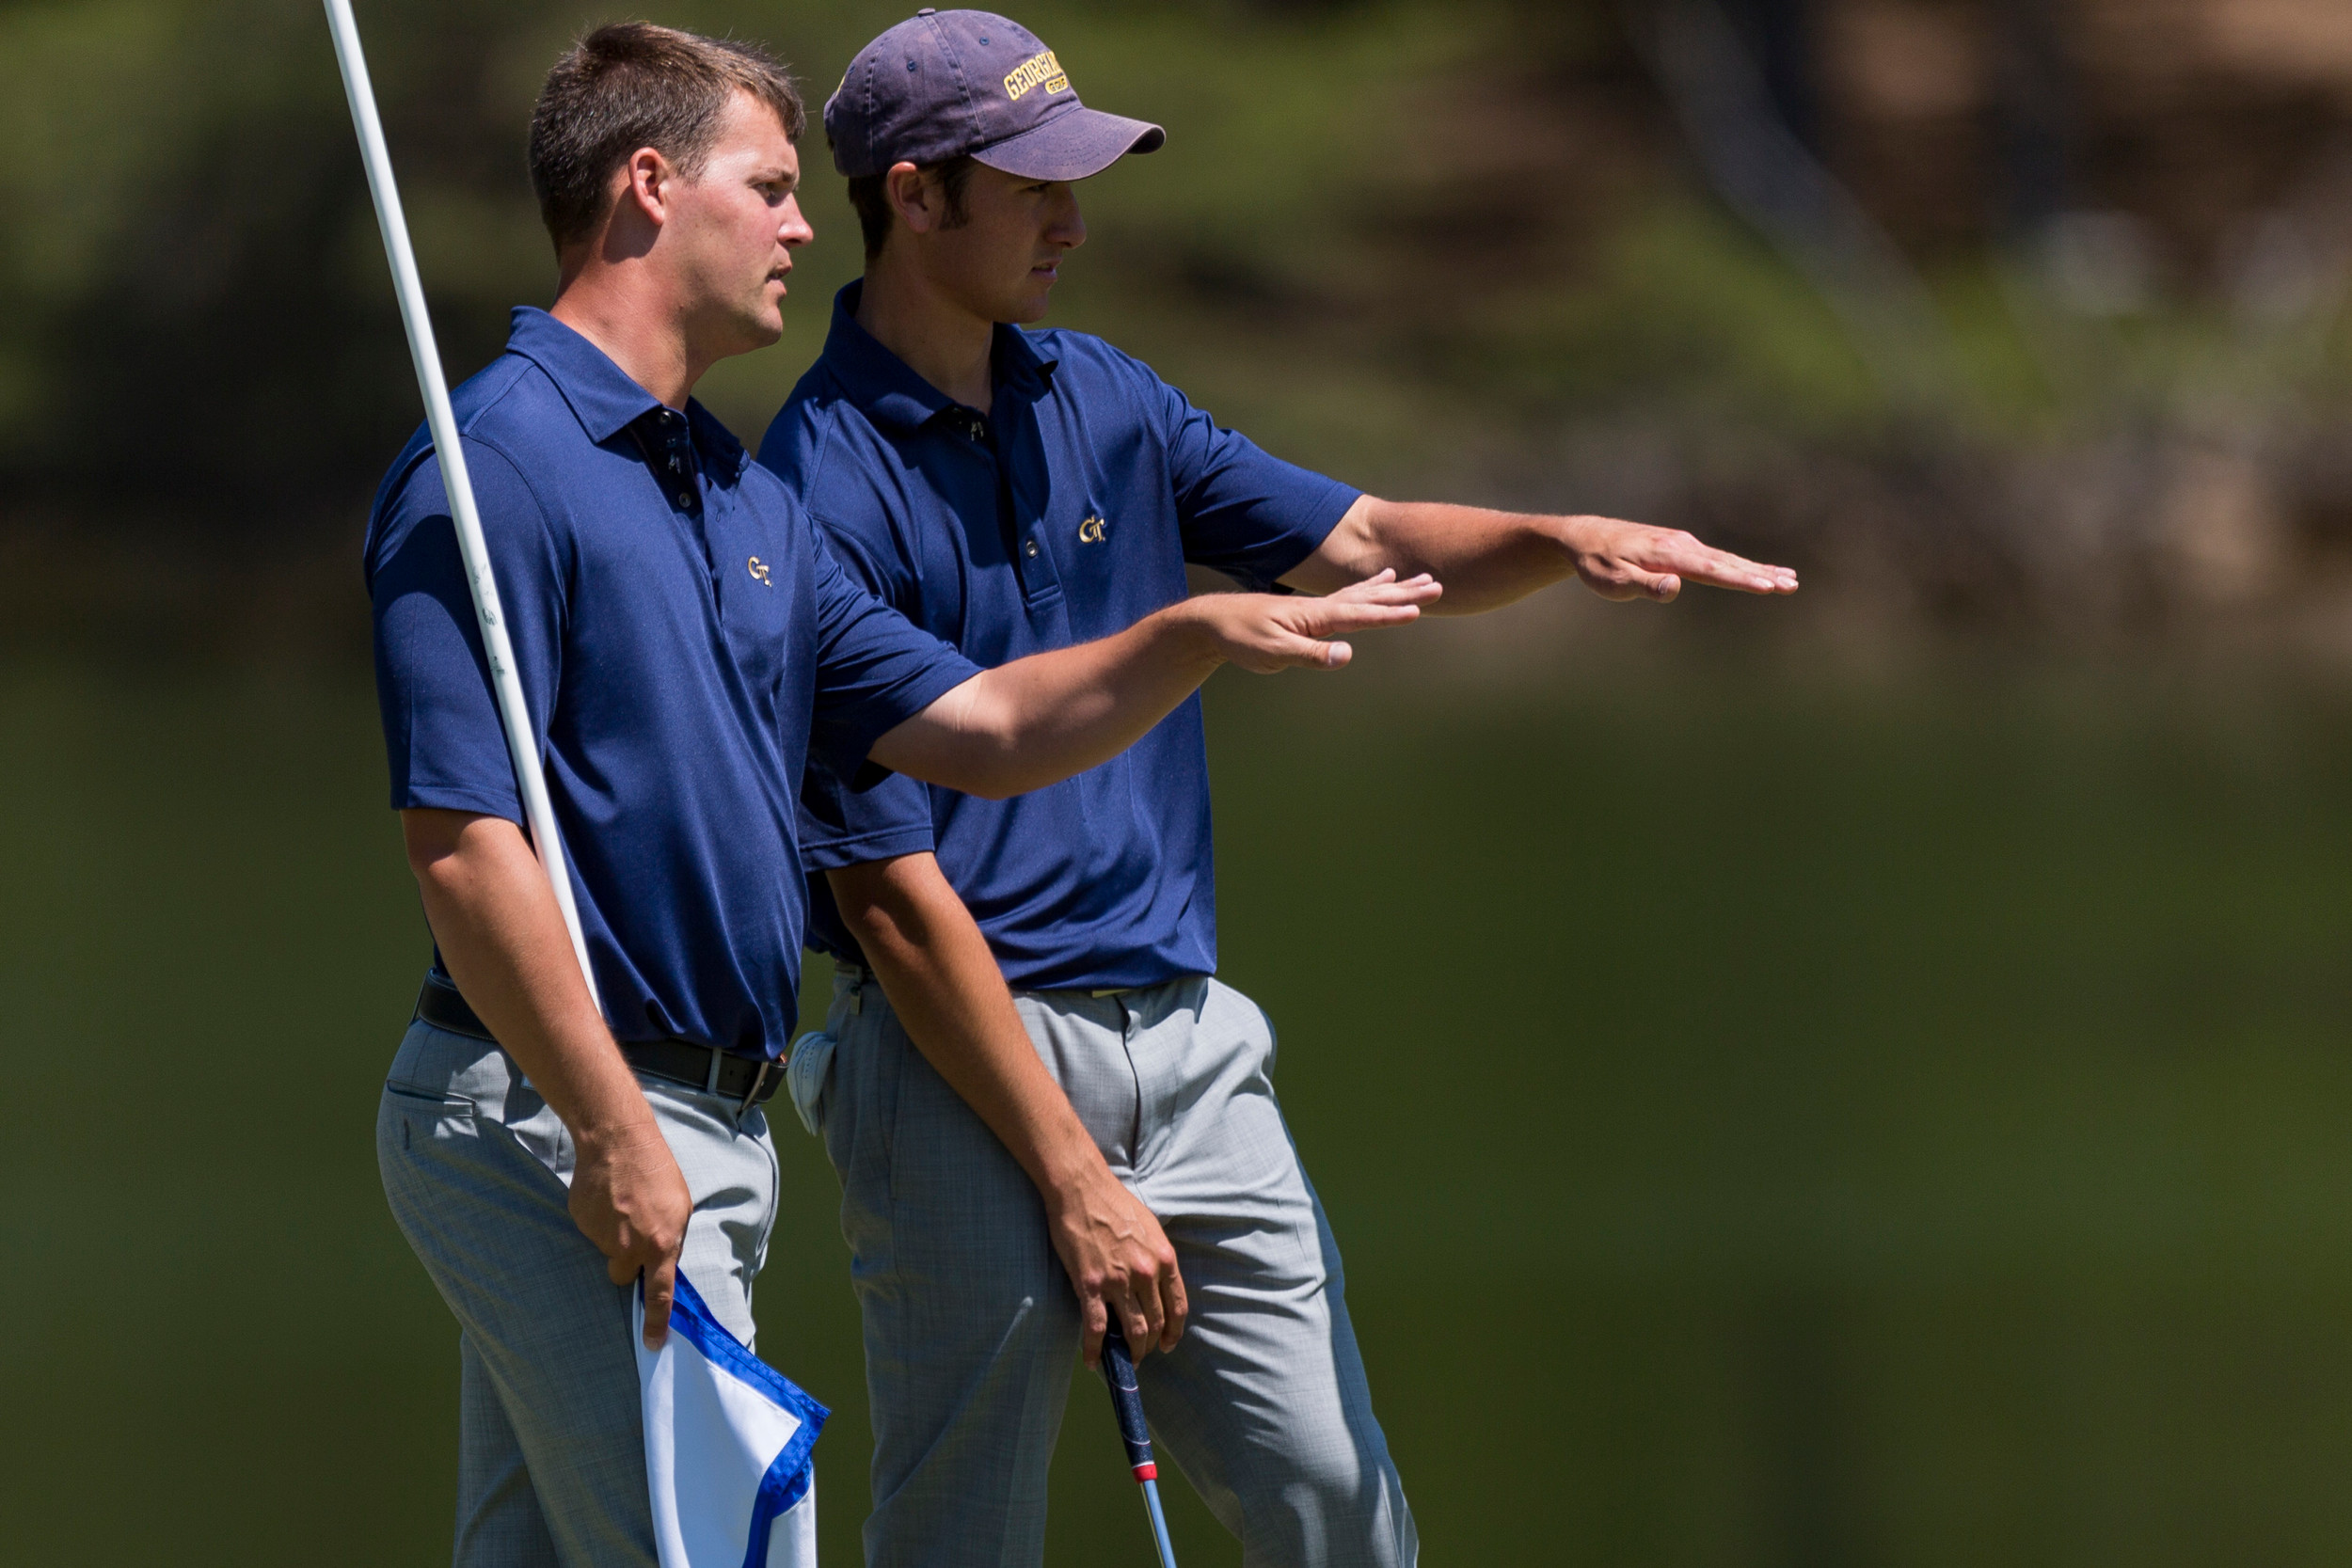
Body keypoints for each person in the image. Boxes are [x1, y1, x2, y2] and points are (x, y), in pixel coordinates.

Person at [364, 22, 1436, 1567]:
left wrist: (1188, 633)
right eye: (771, 187)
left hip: (692, 1122)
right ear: (650, 188)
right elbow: (465, 850)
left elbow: (985, 723)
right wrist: (611, 1132)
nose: (808, 224)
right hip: (554, 1116)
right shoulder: (495, 468)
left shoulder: (732, 493)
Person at [757, 11, 1803, 1567]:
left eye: (1078, 181)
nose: (1074, 218)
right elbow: (886, 903)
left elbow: (1371, 541)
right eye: (1035, 185)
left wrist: (1560, 537)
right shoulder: (812, 486)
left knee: (1338, 1502)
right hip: (965, 1073)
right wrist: (1068, 1173)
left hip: (1191, 1049)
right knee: (958, 1533)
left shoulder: (1105, 398)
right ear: (915, 197)